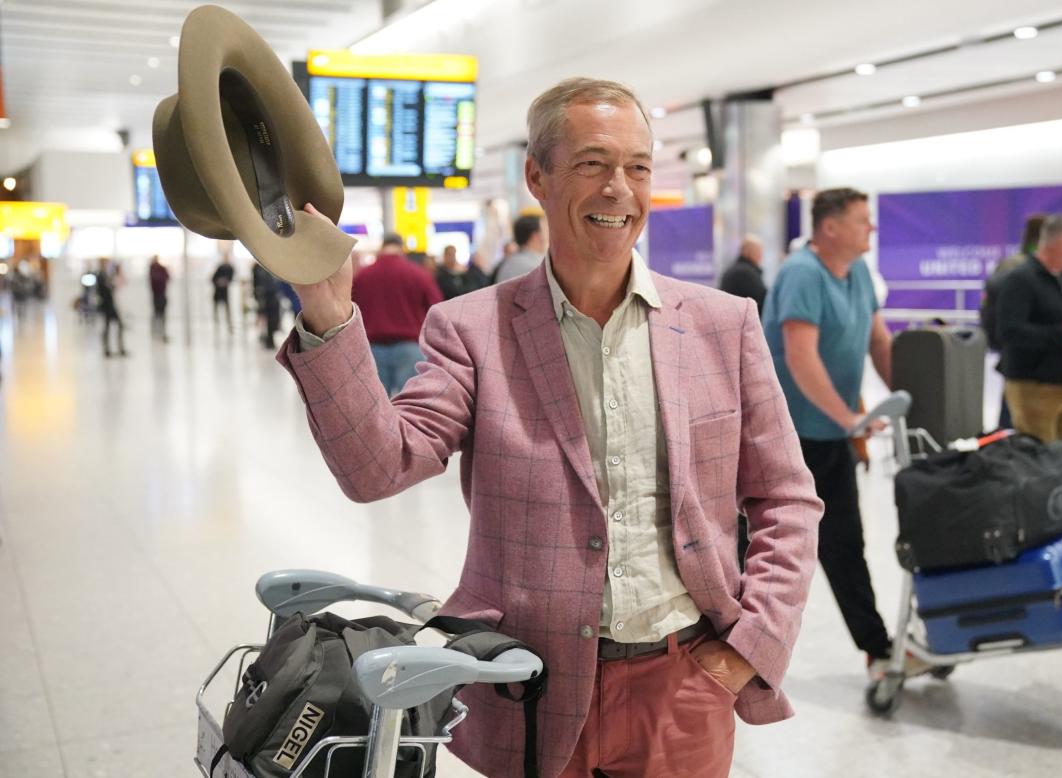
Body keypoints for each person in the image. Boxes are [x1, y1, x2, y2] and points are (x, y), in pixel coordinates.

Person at [280, 77, 821, 778]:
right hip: (526, 687)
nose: (618, 190)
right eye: (593, 164)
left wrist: (749, 647)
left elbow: (786, 498)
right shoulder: (473, 329)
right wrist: (329, 316)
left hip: (683, 688)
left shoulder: (723, 325)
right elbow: (379, 468)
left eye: (638, 167)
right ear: (538, 176)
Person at [763, 187, 921, 682]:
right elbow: (799, 357)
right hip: (785, 437)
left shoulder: (856, 275)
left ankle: (878, 650)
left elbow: (879, 342)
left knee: (842, 543)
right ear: (829, 227)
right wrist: (846, 418)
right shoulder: (802, 275)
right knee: (763, 547)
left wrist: (914, 402)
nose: (871, 228)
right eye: (861, 220)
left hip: (827, 437)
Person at [996, 213, 1062, 446]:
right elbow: (1010, 331)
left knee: (1060, 461)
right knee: (1039, 461)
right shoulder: (1020, 280)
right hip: (1036, 388)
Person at [352, 233, 443, 396]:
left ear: (382, 247)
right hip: (409, 347)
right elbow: (437, 307)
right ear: (402, 249)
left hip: (372, 349)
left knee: (376, 408)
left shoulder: (363, 276)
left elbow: (350, 310)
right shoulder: (418, 274)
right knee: (411, 406)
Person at [981, 213, 1046, 429]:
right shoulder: (1022, 269)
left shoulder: (1012, 265)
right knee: (1014, 410)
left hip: (1017, 348)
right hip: (1020, 349)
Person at [719, 234, 767, 315]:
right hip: (741, 320)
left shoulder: (733, 269)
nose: (761, 256)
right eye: (759, 252)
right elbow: (762, 299)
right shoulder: (746, 273)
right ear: (751, 252)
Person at [493, 215, 547, 284]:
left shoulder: (509, 262)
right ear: (535, 236)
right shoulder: (535, 268)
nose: (548, 236)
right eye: (545, 231)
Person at [97, 259, 128, 358]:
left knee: (119, 326)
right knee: (107, 327)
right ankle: (106, 349)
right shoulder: (100, 276)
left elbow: (116, 285)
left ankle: (120, 348)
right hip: (106, 306)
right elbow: (102, 291)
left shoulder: (108, 276)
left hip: (111, 305)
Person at [251, 262, 283, 349]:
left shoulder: (272, 266)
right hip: (264, 297)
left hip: (273, 296)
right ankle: (267, 339)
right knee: (265, 319)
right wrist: (258, 297)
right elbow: (255, 283)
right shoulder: (257, 267)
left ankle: (269, 339)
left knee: (273, 319)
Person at [148, 255, 171, 343]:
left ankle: (162, 333)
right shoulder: (152, 269)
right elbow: (155, 279)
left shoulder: (162, 268)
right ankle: (156, 333)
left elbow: (167, 277)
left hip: (162, 295)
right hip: (156, 295)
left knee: (163, 315)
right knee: (156, 314)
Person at [211, 257, 235, 333]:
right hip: (218, 292)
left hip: (225, 292)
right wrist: (219, 282)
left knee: (227, 311)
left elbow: (230, 278)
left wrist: (224, 282)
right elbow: (213, 278)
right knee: (216, 310)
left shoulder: (230, 268)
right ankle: (216, 325)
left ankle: (229, 326)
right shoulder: (220, 267)